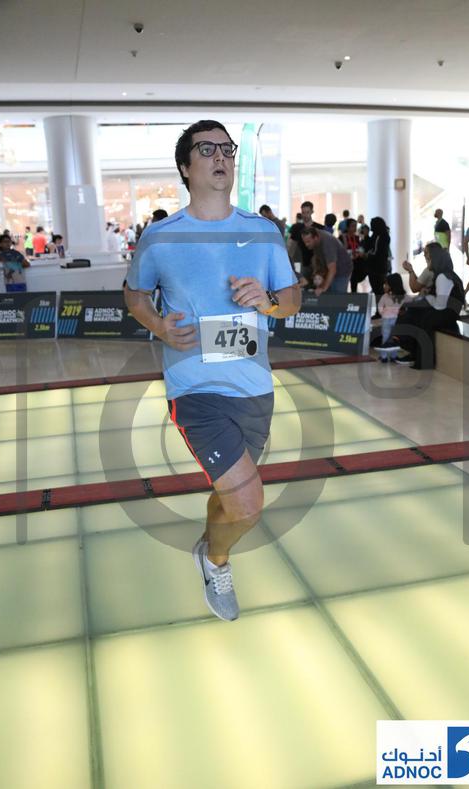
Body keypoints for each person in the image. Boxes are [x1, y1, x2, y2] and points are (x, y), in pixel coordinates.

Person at [124, 119, 300, 622]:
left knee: (228, 495)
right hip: (195, 388)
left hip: (253, 387)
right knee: (247, 504)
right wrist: (158, 326)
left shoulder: (262, 231)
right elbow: (135, 295)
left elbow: (291, 300)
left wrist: (267, 301)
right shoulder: (160, 238)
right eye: (207, 149)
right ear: (185, 167)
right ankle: (216, 560)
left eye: (227, 148)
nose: (221, 156)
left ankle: (211, 544)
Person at [394, 245, 464, 369]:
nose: (427, 261)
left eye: (429, 259)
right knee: (414, 311)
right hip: (447, 312)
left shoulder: (442, 277)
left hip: (447, 313)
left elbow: (440, 305)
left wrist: (426, 299)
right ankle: (414, 353)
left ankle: (421, 358)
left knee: (420, 318)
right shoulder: (445, 274)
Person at [301, 226, 353, 294]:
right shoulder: (314, 234)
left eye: (308, 242)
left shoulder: (328, 244)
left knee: (337, 296)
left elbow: (332, 269)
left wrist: (323, 288)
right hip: (329, 269)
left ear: (316, 238)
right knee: (325, 292)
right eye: (304, 242)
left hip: (342, 270)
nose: (306, 244)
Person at [287, 201, 324, 286]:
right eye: (303, 212)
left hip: (318, 265)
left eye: (307, 212)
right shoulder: (297, 228)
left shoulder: (319, 228)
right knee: (305, 287)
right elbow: (291, 246)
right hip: (304, 264)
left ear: (312, 212)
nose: (305, 215)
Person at [375, 273, 407, 361]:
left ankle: (386, 356)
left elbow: (380, 306)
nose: (384, 286)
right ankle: (391, 356)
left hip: (389, 319)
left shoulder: (386, 296)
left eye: (386, 284)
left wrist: (382, 312)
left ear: (392, 285)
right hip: (393, 319)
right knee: (391, 337)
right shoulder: (399, 297)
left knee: (387, 337)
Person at [365, 216, 391, 312]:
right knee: (378, 290)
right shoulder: (379, 235)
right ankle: (381, 310)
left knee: (378, 290)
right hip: (380, 266)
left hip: (377, 267)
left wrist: (367, 255)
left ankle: (380, 311)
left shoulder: (381, 237)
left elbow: (377, 252)